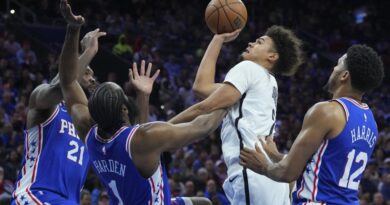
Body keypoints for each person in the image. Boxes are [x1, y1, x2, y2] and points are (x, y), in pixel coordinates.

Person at [57, 1, 225, 205]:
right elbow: (203, 126)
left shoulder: (89, 132)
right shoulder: (144, 138)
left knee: (204, 203)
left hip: (130, 199)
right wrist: (230, 96)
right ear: (124, 108)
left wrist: (73, 29)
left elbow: (66, 80)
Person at [169, 26, 304, 204]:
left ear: (272, 56)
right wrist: (218, 40)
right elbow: (202, 87)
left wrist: (159, 130)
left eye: (259, 42)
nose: (251, 43)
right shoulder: (268, 82)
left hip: (252, 172)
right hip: (271, 179)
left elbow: (204, 107)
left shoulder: (248, 68)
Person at [239, 45, 384, 205]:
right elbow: (326, 169)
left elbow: (287, 173)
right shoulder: (372, 123)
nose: (333, 69)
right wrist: (277, 156)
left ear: (344, 76)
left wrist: (263, 166)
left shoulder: (327, 111)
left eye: (338, 64)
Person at [10, 12, 105, 205]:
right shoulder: (45, 102)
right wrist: (84, 46)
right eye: (86, 71)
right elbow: (60, 85)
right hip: (36, 194)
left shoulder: (89, 122)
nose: (92, 78)